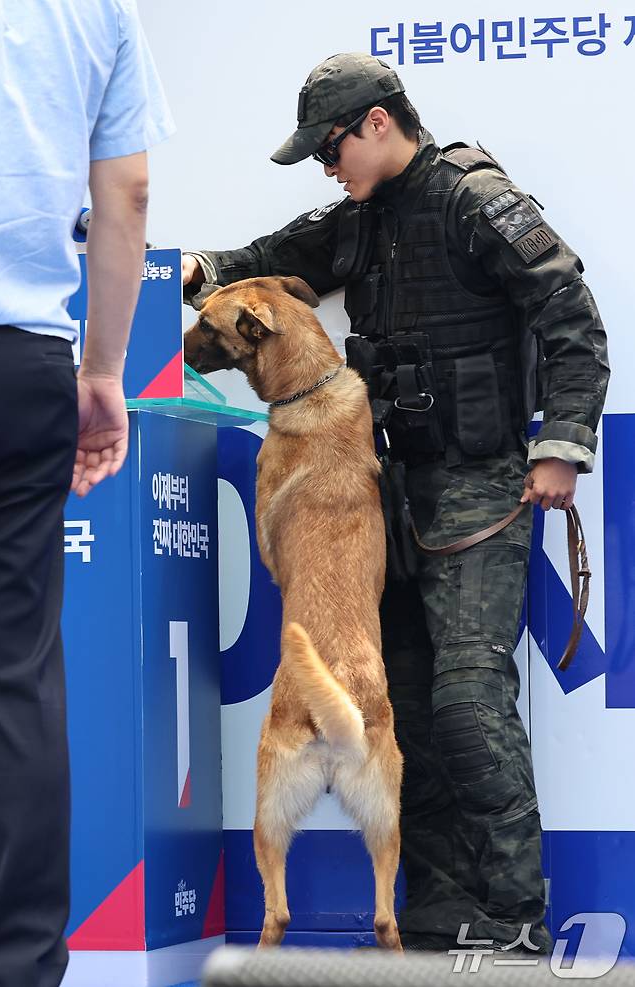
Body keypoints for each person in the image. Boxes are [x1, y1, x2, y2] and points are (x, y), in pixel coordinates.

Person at [182, 53, 609, 952]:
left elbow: (568, 309)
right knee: (404, 702)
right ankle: (442, 905)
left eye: (329, 147)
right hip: (386, 487)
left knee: (465, 697)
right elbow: (267, 262)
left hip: (480, 486)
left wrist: (563, 442)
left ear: (378, 123)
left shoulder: (472, 196)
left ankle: (517, 913)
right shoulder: (359, 217)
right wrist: (198, 267)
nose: (324, 167)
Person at [0, 3, 174, 985]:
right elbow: (127, 192)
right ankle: (17, 967)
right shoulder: (94, 5)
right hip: (19, 363)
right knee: (11, 677)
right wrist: (102, 368)